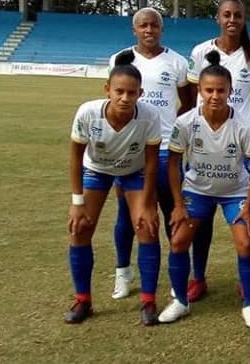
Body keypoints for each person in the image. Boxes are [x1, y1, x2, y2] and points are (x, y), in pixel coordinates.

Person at [158, 51, 250, 327]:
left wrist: (249, 205)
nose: (215, 95)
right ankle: (180, 301)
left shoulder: (242, 124)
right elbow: (172, 163)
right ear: (199, 90)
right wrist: (179, 204)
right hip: (197, 192)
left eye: (221, 90)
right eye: (209, 90)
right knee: (179, 240)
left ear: (230, 91)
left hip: (235, 193)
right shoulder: (185, 123)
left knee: (245, 243)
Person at [65, 51, 162, 325]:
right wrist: (77, 201)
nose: (125, 98)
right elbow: (75, 156)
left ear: (140, 93)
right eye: (119, 91)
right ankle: (83, 300)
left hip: (135, 172)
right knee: (80, 228)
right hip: (97, 170)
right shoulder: (87, 112)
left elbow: (153, 164)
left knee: (146, 227)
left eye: (131, 93)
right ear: (107, 89)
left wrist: (147, 204)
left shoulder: (150, 116)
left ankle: (148, 301)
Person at [185, 0, 250, 302]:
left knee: (244, 215)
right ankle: (198, 277)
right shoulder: (200, 52)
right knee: (200, 217)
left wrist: (238, 126)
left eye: (238, 15)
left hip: (238, 146)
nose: (232, 20)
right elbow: (194, 95)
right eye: (227, 15)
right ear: (218, 18)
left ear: (245, 20)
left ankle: (245, 280)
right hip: (203, 144)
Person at [109, 7, 192, 300]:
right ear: (135, 30)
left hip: (168, 150)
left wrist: (166, 125)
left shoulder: (178, 62)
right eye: (143, 26)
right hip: (130, 152)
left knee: (173, 213)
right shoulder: (121, 59)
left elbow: (188, 103)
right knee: (127, 216)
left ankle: (176, 275)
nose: (149, 30)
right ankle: (123, 272)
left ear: (161, 29)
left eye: (154, 25)